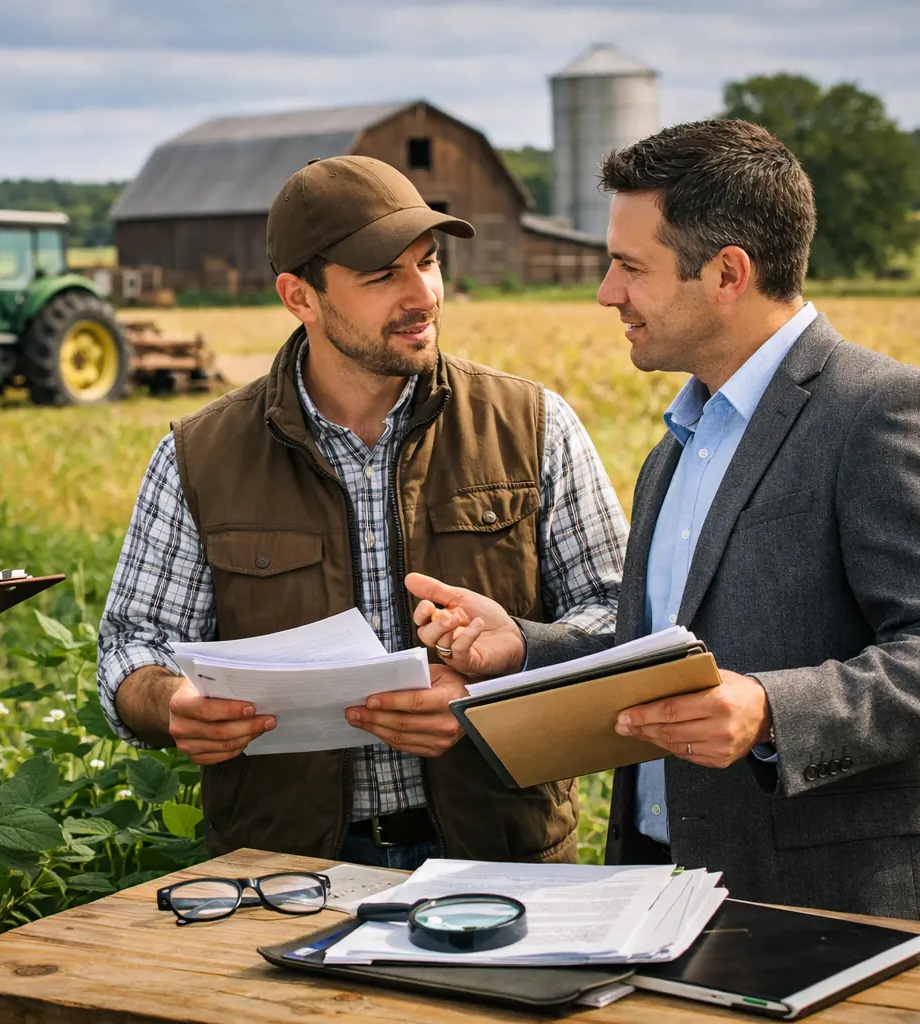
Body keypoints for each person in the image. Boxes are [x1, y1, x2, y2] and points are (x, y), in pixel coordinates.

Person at [412, 120, 920, 924]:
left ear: (728, 273)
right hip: (663, 886)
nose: (607, 293)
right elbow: (671, 659)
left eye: (630, 266)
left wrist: (774, 711)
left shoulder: (882, 412)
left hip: (837, 904)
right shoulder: (676, 446)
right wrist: (525, 648)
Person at [97, 155, 629, 869]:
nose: (423, 295)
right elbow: (133, 644)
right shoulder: (198, 455)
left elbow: (621, 616)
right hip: (285, 874)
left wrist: (490, 687)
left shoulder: (534, 425)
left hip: (503, 862)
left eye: (428, 263)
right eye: (382, 276)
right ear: (300, 296)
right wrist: (170, 703)